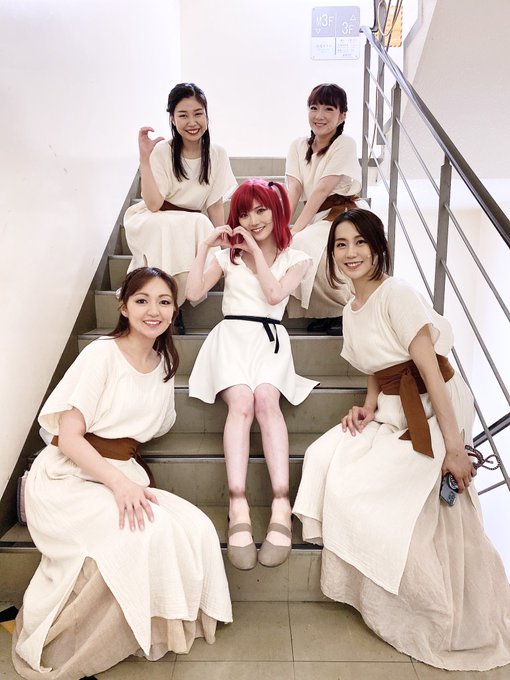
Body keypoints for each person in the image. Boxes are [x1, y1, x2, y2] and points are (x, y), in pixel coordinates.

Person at [293, 208, 510, 671]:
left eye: (360, 242)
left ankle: (426, 604)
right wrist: (368, 406)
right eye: (340, 244)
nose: (350, 253)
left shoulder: (398, 294)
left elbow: (430, 373)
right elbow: (376, 366)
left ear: (378, 248)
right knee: (324, 454)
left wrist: (455, 449)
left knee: (394, 490)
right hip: (393, 405)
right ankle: (365, 583)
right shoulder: (351, 308)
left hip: (431, 405)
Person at [13, 267, 232, 680]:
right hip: (67, 476)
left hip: (121, 470)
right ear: (124, 307)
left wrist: (123, 475)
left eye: (164, 302)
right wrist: (118, 483)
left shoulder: (164, 361)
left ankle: (165, 625)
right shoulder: (101, 353)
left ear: (174, 310)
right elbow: (70, 438)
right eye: (142, 300)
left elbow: (152, 424)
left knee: (198, 528)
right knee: (146, 531)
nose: (154, 311)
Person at [187, 180, 317, 570]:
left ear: (277, 211)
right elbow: (193, 293)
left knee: (266, 401)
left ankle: (281, 503)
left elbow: (275, 295)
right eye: (244, 213)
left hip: (270, 341)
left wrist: (256, 253)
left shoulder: (297, 258)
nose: (253, 220)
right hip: (231, 338)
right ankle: (237, 502)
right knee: (242, 402)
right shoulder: (227, 257)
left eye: (261, 210)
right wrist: (205, 247)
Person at [123, 82, 237, 332]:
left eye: (198, 114)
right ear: (172, 119)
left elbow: (215, 205)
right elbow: (154, 204)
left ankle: (173, 302)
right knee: (187, 225)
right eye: (183, 115)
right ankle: (166, 303)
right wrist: (144, 159)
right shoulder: (162, 151)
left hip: (190, 222)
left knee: (198, 224)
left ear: (207, 116)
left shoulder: (217, 154)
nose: (192, 122)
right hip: (154, 217)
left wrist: (225, 246)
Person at [285, 83, 367, 335]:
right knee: (297, 244)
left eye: (329, 109)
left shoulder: (345, 143)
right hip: (319, 217)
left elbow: (322, 190)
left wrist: (295, 229)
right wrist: (281, 227)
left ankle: (346, 310)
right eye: (314, 108)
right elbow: (293, 189)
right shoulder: (298, 146)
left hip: (346, 213)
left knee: (303, 243)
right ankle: (329, 313)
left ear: (342, 116)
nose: (319, 115)